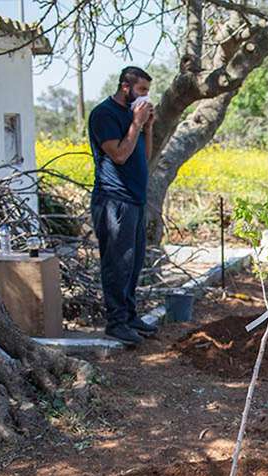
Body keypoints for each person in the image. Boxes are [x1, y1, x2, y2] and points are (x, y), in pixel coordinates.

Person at [88, 66, 156, 346]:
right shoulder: (104, 114)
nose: (145, 97)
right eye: (141, 91)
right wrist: (137, 124)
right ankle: (115, 322)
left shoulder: (134, 118)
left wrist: (147, 128)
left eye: (147, 93)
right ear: (126, 87)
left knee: (135, 261)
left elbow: (144, 156)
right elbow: (118, 155)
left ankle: (129, 315)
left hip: (135, 200)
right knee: (117, 263)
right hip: (114, 200)